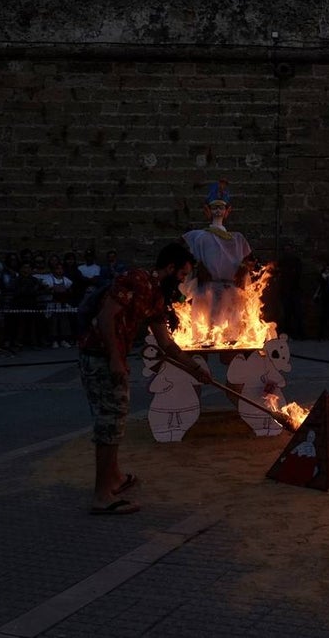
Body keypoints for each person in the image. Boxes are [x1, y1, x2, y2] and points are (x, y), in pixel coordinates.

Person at [78, 242, 216, 515]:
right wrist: (116, 359)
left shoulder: (156, 298)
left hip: (112, 360)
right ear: (169, 267)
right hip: (99, 358)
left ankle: (114, 477)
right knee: (109, 422)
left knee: (117, 417)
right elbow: (106, 318)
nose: (183, 281)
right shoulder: (136, 280)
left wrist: (194, 369)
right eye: (182, 274)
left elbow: (167, 345)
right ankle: (102, 496)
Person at [180, 181, 254, 339]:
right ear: (208, 210)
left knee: (230, 331)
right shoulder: (199, 236)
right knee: (204, 329)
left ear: (228, 211)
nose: (218, 210)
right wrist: (197, 267)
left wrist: (243, 268)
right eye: (214, 207)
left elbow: (248, 261)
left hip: (230, 288)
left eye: (221, 207)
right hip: (206, 288)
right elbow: (189, 259)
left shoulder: (237, 238)